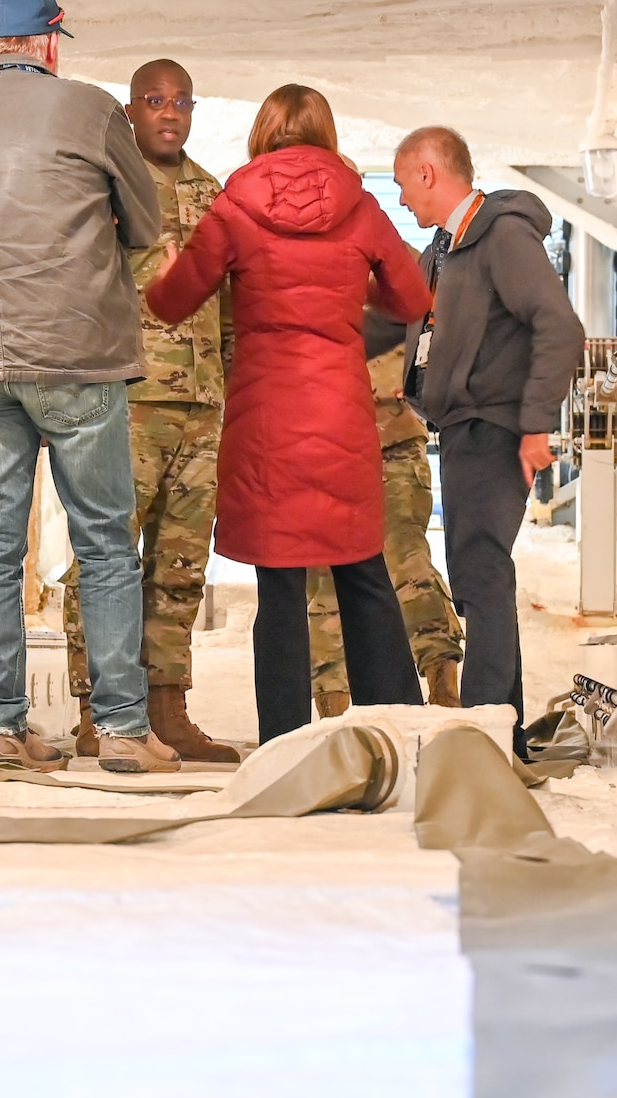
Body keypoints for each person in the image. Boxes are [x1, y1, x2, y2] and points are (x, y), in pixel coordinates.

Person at [0, 0, 179, 775]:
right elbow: (145, 223)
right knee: (103, 540)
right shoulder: (90, 108)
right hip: (75, 353)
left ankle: (2, 728)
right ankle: (125, 731)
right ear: (51, 45)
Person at [145, 85, 433, 743]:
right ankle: (401, 736)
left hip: (266, 415)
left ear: (264, 132)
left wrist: (167, 270)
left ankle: (283, 746)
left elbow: (174, 301)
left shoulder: (236, 204)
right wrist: (351, 281)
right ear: (325, 132)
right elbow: (412, 296)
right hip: (339, 412)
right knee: (363, 569)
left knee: (280, 588)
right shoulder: (359, 205)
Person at [61, 58, 241, 764]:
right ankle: (97, 708)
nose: (169, 113)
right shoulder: (101, 184)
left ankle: (167, 709)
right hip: (124, 397)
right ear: (130, 110)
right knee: (103, 558)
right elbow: (77, 284)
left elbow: (229, 301)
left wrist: (233, 384)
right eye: (154, 100)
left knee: (181, 563)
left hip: (202, 405)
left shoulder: (211, 192)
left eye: (181, 102)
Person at [391, 125, 584, 759]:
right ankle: (503, 728)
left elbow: (560, 326)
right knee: (477, 571)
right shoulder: (445, 250)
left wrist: (534, 422)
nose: (401, 201)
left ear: (428, 173)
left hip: (496, 425)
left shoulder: (501, 235)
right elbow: (405, 324)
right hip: (464, 426)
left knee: (480, 571)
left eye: (401, 185)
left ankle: (485, 731)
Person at [307, 336, 464, 715]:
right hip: (320, 432)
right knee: (324, 571)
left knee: (406, 562)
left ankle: (444, 693)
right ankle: (335, 712)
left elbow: (428, 316)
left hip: (389, 429)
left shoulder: (398, 275)